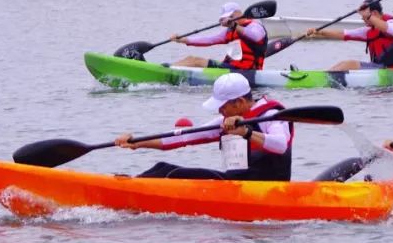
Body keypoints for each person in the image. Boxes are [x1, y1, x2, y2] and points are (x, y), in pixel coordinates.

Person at [114, 73, 293, 180]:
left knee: (175, 174)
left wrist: (246, 132)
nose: (220, 111)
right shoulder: (226, 121)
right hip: (236, 183)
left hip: (268, 187)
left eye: (223, 106)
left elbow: (280, 145)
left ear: (238, 102)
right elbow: (184, 137)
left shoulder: (271, 115)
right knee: (162, 168)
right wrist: (137, 142)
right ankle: (134, 184)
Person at [303, 0, 393, 71]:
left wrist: (369, 17)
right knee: (342, 64)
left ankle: (323, 79)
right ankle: (323, 75)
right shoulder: (369, 31)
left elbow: (388, 28)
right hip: (382, 69)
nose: (363, 19)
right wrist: (320, 32)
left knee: (349, 64)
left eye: (364, 17)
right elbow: (345, 34)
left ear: (374, 14)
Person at [170, 1, 268, 70]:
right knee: (190, 59)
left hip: (248, 71)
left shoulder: (255, 26)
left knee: (196, 61)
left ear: (238, 13)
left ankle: (168, 70)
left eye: (230, 16)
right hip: (230, 67)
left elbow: (256, 36)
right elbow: (209, 40)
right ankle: (166, 67)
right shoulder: (229, 31)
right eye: (226, 17)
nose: (228, 19)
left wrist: (234, 25)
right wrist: (183, 40)